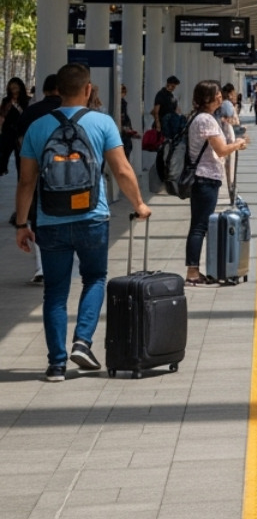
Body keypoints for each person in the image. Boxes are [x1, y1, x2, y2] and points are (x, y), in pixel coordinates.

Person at [15, 64, 152, 381]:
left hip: (50, 220)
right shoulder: (102, 122)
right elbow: (122, 170)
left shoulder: (37, 126)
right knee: (94, 278)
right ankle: (82, 341)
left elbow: (25, 181)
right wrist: (140, 205)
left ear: (57, 90)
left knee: (55, 293)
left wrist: (22, 224)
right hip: (92, 217)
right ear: (88, 89)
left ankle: (56, 365)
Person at [183, 81, 246, 285]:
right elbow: (221, 150)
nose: (221, 97)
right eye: (217, 94)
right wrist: (237, 144)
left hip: (203, 178)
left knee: (198, 225)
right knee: (199, 226)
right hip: (205, 178)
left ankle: (195, 270)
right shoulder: (206, 120)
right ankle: (192, 272)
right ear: (207, 98)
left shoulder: (198, 117)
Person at [12, 74, 62, 284]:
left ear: (43, 90)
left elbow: (19, 141)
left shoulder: (32, 112)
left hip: (36, 174)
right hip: (68, 177)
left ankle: (42, 267)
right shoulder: (75, 113)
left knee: (39, 219)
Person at [0, 77, 29, 177]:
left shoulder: (27, 101)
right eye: (12, 88)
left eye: (16, 88)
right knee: (3, 155)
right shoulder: (6, 101)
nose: (14, 90)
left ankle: (20, 179)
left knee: (20, 160)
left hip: (21, 133)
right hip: (8, 131)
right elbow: (2, 116)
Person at [217, 83, 239, 195]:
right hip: (228, 137)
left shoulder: (224, 104)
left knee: (227, 164)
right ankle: (230, 188)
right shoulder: (227, 104)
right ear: (230, 93)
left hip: (225, 137)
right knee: (229, 165)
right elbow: (231, 119)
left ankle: (230, 186)